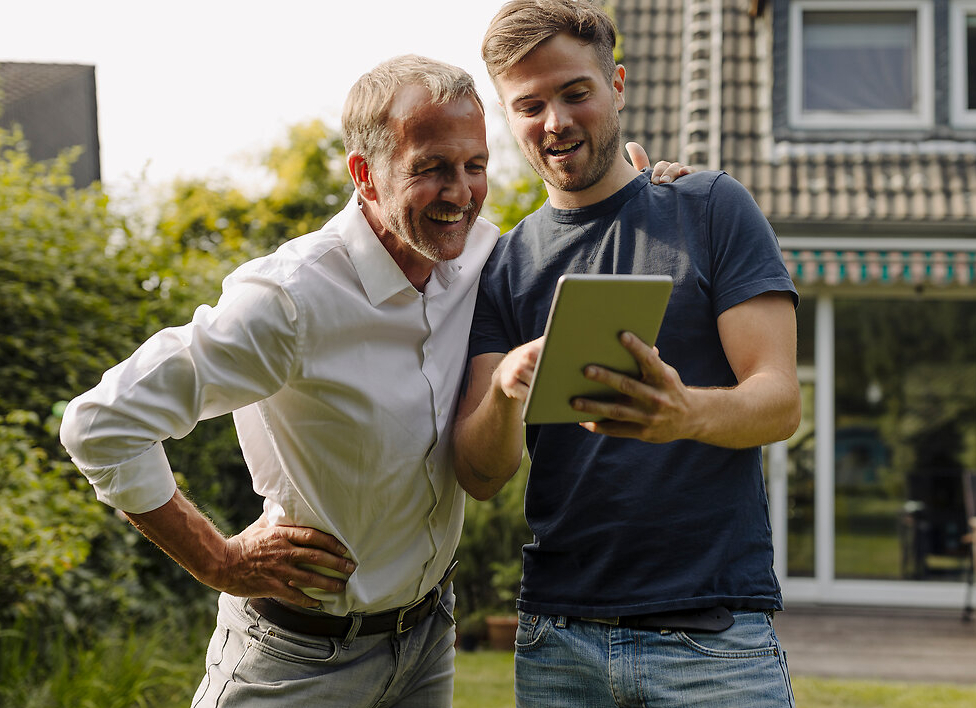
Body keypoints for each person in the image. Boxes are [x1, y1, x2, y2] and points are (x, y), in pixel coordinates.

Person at [59, 53, 686, 707]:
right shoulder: (286, 300)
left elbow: (578, 253)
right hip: (297, 660)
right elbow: (102, 423)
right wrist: (218, 560)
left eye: (475, 166)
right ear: (365, 175)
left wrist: (663, 197)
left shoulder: (482, 258)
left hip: (426, 644)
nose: (461, 193)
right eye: (432, 168)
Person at [452, 2, 802, 707]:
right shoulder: (503, 267)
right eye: (530, 106)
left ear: (617, 85)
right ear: (507, 117)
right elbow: (480, 474)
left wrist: (685, 413)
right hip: (558, 643)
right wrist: (507, 391)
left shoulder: (710, 207)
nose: (555, 121)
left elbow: (780, 400)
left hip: (712, 641)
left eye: (575, 92)